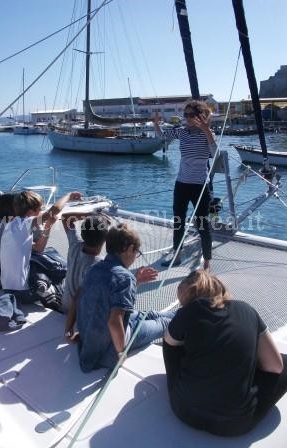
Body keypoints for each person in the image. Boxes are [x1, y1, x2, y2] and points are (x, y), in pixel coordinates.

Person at [163, 270, 287, 437]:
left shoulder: (188, 311)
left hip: (183, 410)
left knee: (171, 344)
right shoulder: (246, 309)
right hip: (234, 426)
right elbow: (275, 366)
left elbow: (169, 343)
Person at [77, 223, 175, 372]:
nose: (136, 257)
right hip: (109, 347)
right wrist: (121, 353)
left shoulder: (93, 268)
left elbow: (106, 295)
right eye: (137, 253)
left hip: (91, 340)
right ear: (129, 249)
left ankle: (180, 313)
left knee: (147, 314)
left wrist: (136, 281)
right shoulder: (125, 278)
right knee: (163, 323)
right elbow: (114, 322)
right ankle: (187, 317)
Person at [160, 101, 218, 270]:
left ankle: (207, 262)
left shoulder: (208, 133)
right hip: (181, 184)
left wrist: (206, 130)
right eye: (185, 115)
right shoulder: (181, 132)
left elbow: (215, 154)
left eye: (191, 115)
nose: (187, 118)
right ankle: (176, 256)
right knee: (178, 222)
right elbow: (163, 137)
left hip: (200, 185)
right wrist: (157, 125)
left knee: (202, 224)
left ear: (201, 116)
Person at [0, 190, 81, 304]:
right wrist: (69, 196)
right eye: (40, 209)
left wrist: (48, 226)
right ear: (31, 212)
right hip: (23, 292)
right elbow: (53, 211)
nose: (42, 212)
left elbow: (39, 248)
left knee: (42, 257)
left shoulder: (11, 226)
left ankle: (45, 288)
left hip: (8, 289)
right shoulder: (25, 223)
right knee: (62, 276)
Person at [62, 214, 110, 339]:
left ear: (83, 234)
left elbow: (65, 218)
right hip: (78, 314)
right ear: (105, 240)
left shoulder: (75, 245)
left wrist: (89, 216)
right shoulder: (98, 265)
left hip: (65, 304)